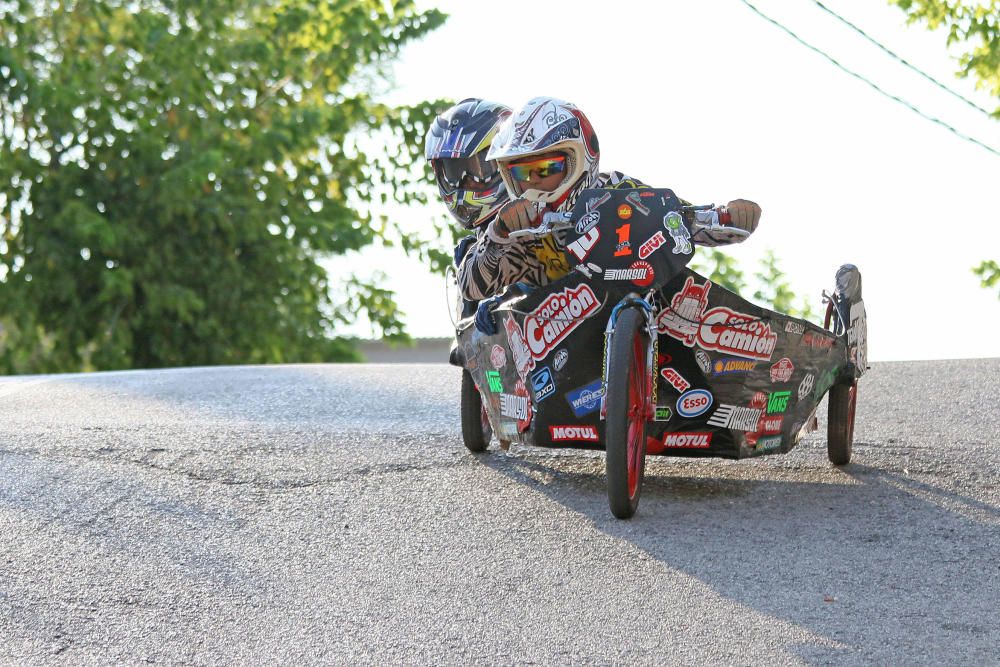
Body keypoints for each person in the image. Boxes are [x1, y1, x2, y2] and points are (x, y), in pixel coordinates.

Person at [461, 96, 761, 312]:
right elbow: (471, 288)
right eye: (521, 173)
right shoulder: (517, 224)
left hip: (636, 306)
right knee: (499, 310)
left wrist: (731, 217)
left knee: (680, 291)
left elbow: (680, 219)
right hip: (546, 343)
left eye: (545, 169)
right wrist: (498, 234)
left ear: (578, 159)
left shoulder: (619, 190)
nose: (532, 183)